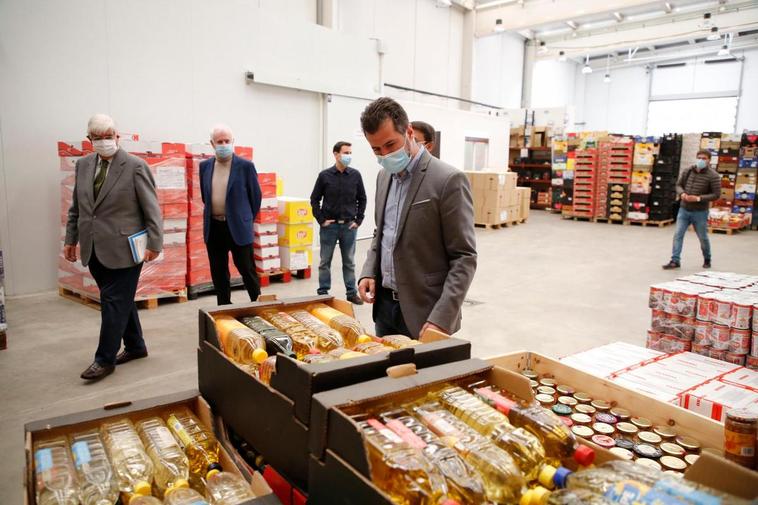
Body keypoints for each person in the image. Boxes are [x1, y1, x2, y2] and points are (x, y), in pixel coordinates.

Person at [357, 97, 477, 338]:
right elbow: (382, 232)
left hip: (426, 313)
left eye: (391, 145)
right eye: (376, 149)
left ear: (409, 132)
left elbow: (464, 257)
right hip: (383, 309)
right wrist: (369, 270)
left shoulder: (447, 180)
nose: (384, 155)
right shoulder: (383, 178)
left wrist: (442, 318)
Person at [64, 114, 163, 381]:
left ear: (117, 136)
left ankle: (104, 359)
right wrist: (70, 239)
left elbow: (152, 209)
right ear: (90, 140)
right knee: (120, 299)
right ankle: (135, 346)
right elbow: (78, 207)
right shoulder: (83, 165)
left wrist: (155, 243)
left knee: (112, 302)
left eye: (110, 136)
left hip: (127, 249)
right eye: (99, 138)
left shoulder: (135, 166)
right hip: (93, 247)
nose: (105, 141)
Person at [200, 124, 262, 305]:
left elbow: (255, 197)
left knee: (247, 269)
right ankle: (224, 309)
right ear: (212, 144)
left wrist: (244, 218)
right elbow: (206, 196)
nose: (224, 144)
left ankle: (258, 305)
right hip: (214, 227)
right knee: (219, 272)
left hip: (238, 227)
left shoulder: (245, 166)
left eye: (227, 141)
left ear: (233, 142)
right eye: (220, 141)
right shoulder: (204, 167)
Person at [310, 141, 367, 305]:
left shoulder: (355, 175)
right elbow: (314, 199)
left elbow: (362, 199)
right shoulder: (324, 176)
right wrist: (321, 220)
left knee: (349, 262)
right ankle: (323, 292)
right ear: (336, 154)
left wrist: (359, 220)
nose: (348, 156)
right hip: (330, 227)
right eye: (345, 153)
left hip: (349, 226)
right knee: (324, 261)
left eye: (350, 153)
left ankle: (351, 293)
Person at [663, 150, 721, 270]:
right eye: (699, 157)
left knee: (702, 237)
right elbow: (678, 185)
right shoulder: (688, 171)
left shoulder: (713, 176)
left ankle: (707, 258)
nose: (701, 160)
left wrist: (699, 198)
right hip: (684, 209)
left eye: (704, 158)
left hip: (700, 212)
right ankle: (675, 260)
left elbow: (716, 194)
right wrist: (682, 194)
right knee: (678, 235)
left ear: (709, 160)